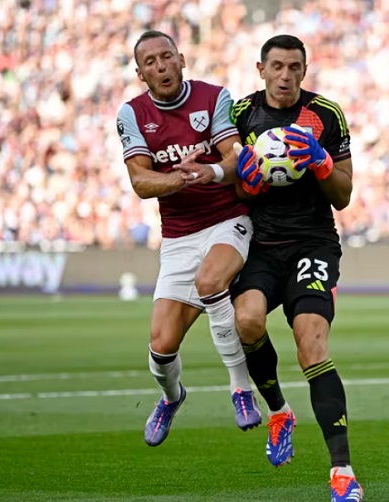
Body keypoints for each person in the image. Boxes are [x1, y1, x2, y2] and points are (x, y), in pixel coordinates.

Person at [230, 35, 363, 502]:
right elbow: (234, 193)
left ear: (304, 71)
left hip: (313, 243)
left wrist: (322, 163)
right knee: (246, 321)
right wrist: (247, 184)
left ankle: (342, 471)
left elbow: (344, 195)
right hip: (261, 246)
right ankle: (280, 411)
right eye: (277, 66)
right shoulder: (241, 114)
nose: (285, 76)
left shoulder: (325, 114)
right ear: (261, 69)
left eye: (294, 68)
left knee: (311, 344)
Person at [116, 30, 261, 447]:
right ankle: (172, 397)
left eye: (167, 56)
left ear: (181, 59)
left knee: (211, 281)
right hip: (178, 237)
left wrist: (208, 172)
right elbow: (141, 181)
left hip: (227, 220)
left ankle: (241, 389)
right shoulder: (132, 113)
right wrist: (181, 177)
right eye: (150, 62)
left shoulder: (214, 97)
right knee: (161, 346)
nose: (161, 66)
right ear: (140, 73)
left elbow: (236, 158)